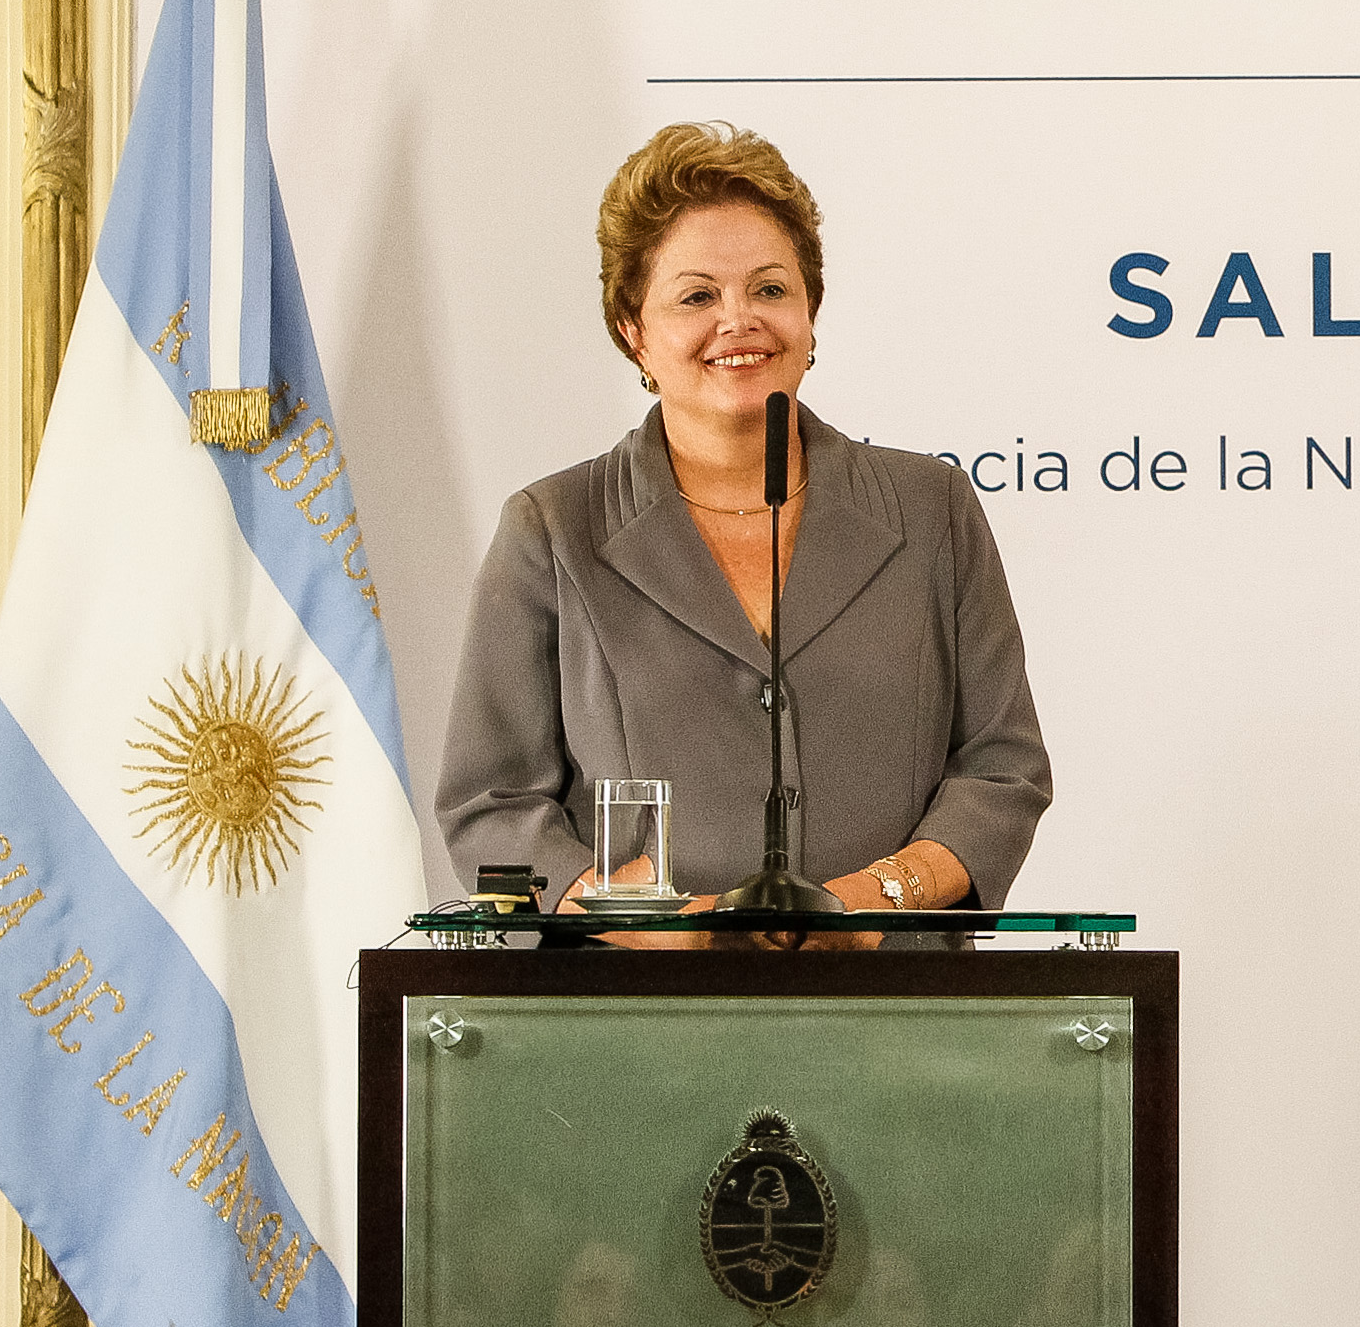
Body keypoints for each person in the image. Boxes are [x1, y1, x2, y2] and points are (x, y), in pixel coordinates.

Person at [438, 122, 1050, 918]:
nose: (740, 320)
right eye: (698, 296)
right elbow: (489, 807)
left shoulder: (933, 510)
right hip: (638, 991)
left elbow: (1002, 769)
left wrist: (872, 900)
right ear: (634, 331)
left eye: (769, 289)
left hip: (893, 982)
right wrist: (625, 918)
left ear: (810, 312)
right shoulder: (552, 531)